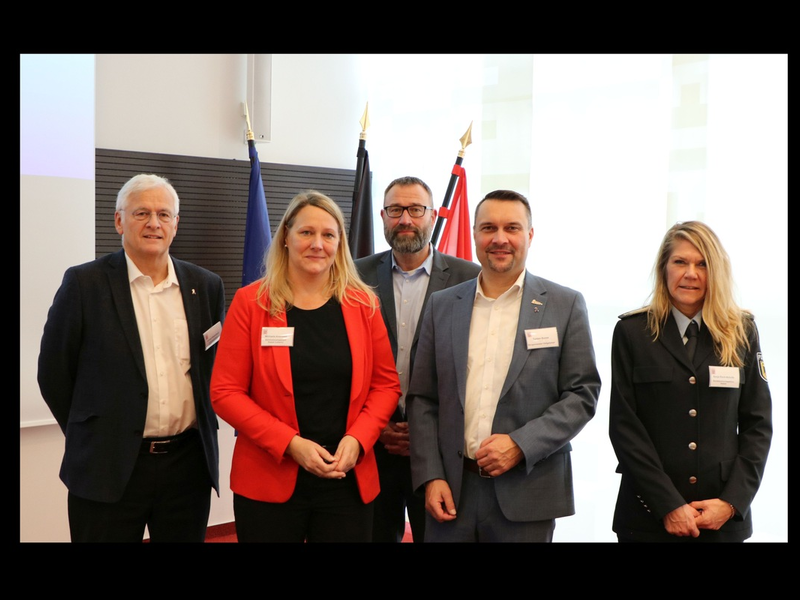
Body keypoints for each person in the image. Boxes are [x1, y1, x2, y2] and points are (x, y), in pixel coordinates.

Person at [37, 173, 225, 542]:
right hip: (107, 465)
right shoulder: (84, 283)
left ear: (175, 224)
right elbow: (54, 373)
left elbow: (211, 367)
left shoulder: (205, 285)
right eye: (141, 213)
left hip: (187, 466)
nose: (154, 223)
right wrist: (93, 432)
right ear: (119, 221)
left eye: (163, 214)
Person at [407, 189, 600, 542]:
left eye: (512, 228)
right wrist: (431, 475)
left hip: (528, 492)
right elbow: (423, 398)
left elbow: (581, 396)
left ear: (530, 235)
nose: (499, 239)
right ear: (474, 235)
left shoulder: (565, 304)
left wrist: (520, 445)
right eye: (488, 228)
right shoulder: (442, 305)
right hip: (451, 492)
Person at [210, 190, 401, 542]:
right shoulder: (251, 303)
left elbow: (386, 386)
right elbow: (225, 392)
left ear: (339, 243)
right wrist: (290, 444)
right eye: (306, 232)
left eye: (328, 235)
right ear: (286, 237)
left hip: (347, 477)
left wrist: (358, 440)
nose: (317, 244)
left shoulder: (364, 304)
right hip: (270, 477)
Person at [609, 220, 772, 542]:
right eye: (680, 262)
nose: (690, 273)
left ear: (716, 272)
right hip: (647, 515)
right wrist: (667, 505)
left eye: (702, 264)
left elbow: (758, 425)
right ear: (664, 268)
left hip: (721, 517)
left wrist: (731, 503)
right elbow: (625, 427)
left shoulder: (741, 331)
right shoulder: (633, 332)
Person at [355, 176, 480, 543]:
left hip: (440, 451)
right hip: (371, 443)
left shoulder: (469, 278)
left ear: (433, 216)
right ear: (382, 216)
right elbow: (343, 361)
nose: (405, 219)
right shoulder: (353, 275)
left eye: (415, 209)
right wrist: (376, 426)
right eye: (395, 210)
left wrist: (428, 432)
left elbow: (475, 366)